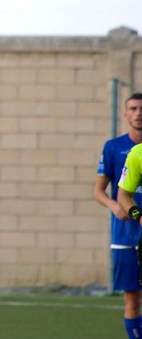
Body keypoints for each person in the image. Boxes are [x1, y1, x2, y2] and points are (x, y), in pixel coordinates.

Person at [97, 93, 142, 339]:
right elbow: (98, 191)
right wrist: (116, 206)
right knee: (132, 297)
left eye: (141, 108)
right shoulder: (115, 148)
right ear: (125, 114)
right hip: (125, 235)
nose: (138, 113)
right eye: (133, 108)